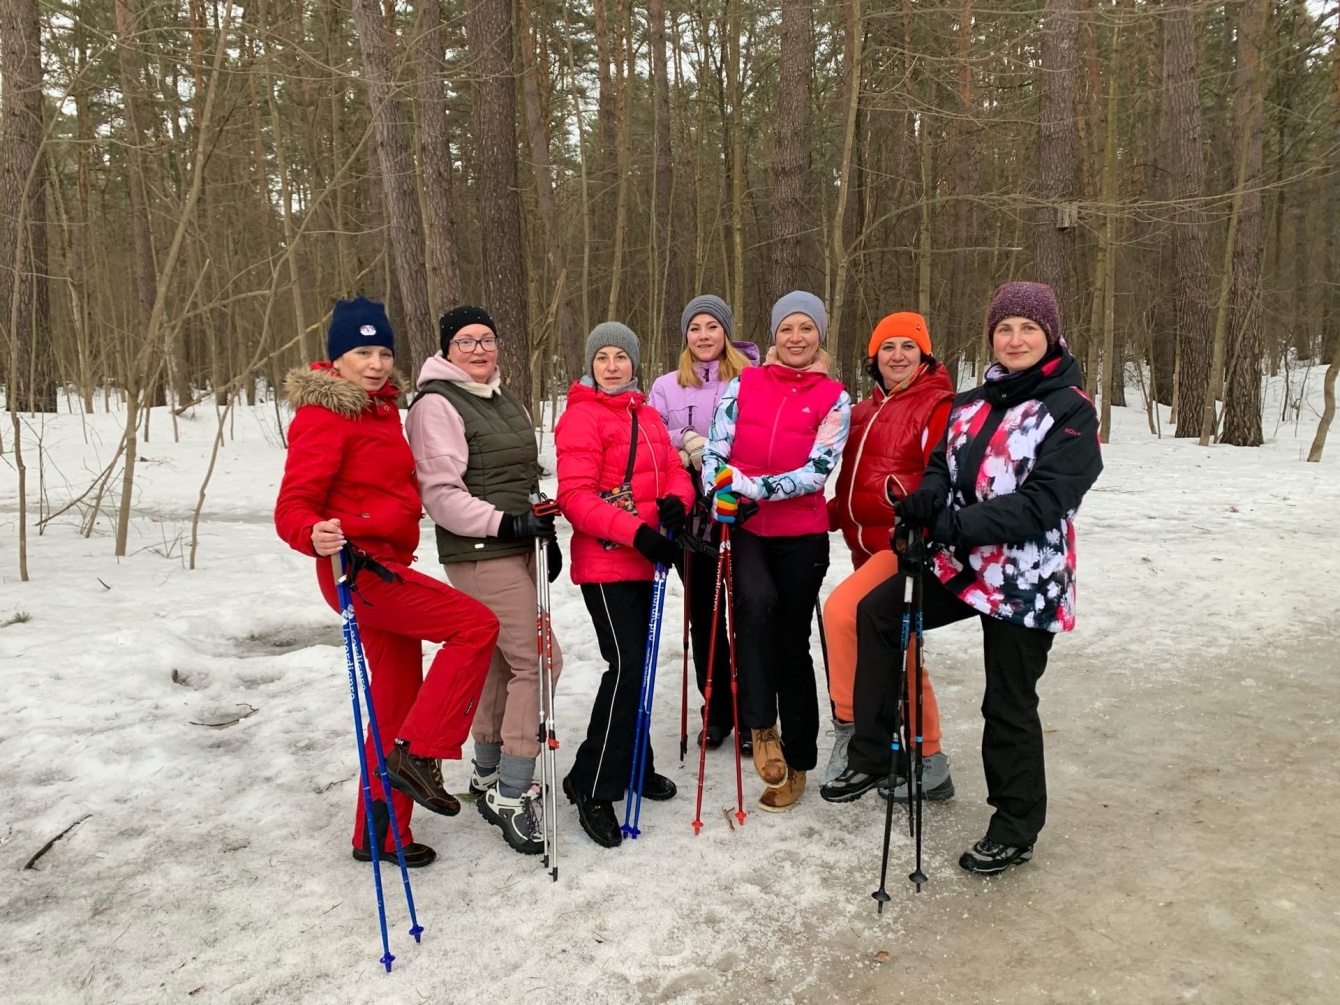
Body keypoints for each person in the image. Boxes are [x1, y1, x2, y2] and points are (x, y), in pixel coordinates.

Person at [849, 281, 1102, 874]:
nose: (1015, 340)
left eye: (1028, 329)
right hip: (962, 565)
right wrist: (925, 502)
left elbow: (1043, 503)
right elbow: (943, 465)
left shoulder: (1071, 410)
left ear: (1050, 337)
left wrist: (951, 524)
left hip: (1025, 579)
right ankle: (880, 751)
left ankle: (1016, 825)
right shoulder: (972, 402)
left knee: (1008, 702)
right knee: (878, 614)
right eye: (1004, 329)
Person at [274, 296, 498, 869]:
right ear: (336, 359)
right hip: (358, 569)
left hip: (390, 564)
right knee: (475, 625)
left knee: (397, 698)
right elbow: (293, 505)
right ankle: (421, 754)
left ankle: (379, 833)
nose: (375, 364)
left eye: (383, 353)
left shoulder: (379, 411)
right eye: (362, 353)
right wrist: (312, 532)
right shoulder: (323, 416)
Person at [405, 305, 564, 857]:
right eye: (466, 341)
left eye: (487, 339)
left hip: (516, 546)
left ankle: (489, 770)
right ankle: (513, 794)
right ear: (446, 349)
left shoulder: (501, 397)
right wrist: (507, 524)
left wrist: (539, 526)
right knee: (539, 662)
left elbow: (520, 476)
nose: (479, 349)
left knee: (502, 661)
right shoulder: (436, 404)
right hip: (480, 551)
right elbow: (441, 495)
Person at [701, 291, 852, 812]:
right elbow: (715, 447)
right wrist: (716, 490)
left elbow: (816, 471)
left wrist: (749, 485)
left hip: (801, 534)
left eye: (806, 328)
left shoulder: (834, 398)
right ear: (774, 334)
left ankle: (800, 758)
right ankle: (761, 725)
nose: (795, 337)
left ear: (819, 335)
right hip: (745, 528)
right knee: (754, 608)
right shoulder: (744, 383)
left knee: (791, 642)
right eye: (786, 328)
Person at [554, 322, 697, 848]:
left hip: (646, 560)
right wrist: (638, 533)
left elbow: (673, 470)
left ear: (635, 363)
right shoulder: (581, 417)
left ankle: (635, 762)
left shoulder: (646, 413)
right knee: (627, 666)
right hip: (608, 561)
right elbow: (575, 497)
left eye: (621, 357)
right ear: (591, 364)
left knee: (640, 666)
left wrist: (679, 500)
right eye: (602, 357)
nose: (612, 366)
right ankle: (591, 782)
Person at [818, 312, 956, 800]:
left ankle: (853, 730)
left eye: (908, 347)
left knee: (842, 613)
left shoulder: (937, 405)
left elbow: (944, 477)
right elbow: (852, 482)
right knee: (902, 648)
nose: (898, 356)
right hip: (863, 546)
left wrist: (920, 525)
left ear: (925, 355)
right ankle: (930, 759)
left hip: (904, 546)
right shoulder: (861, 411)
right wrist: (823, 514)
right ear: (873, 357)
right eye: (888, 347)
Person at [648, 295, 759, 752]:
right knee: (705, 617)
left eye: (712, 326)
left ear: (726, 332)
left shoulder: (750, 379)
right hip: (691, 523)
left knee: (748, 615)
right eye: (695, 328)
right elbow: (652, 431)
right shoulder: (666, 385)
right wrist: (686, 439)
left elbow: (759, 433)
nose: (703, 335)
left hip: (740, 515)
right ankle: (716, 712)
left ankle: (755, 714)